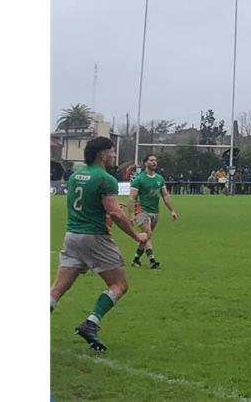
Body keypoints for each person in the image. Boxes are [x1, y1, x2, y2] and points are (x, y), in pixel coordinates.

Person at [49, 137, 151, 352]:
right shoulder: (105, 179)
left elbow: (90, 203)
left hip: (72, 235)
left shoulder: (76, 175)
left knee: (57, 289)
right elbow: (114, 212)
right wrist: (136, 236)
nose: (114, 155)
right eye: (112, 152)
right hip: (94, 237)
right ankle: (91, 323)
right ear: (103, 154)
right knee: (119, 285)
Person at [128, 154, 178, 269]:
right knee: (147, 235)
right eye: (151, 160)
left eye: (155, 160)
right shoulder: (139, 179)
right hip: (142, 211)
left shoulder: (159, 179)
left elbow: (165, 195)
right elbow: (131, 198)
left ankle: (136, 259)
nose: (154, 162)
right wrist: (131, 215)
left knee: (145, 238)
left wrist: (172, 210)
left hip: (155, 212)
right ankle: (152, 260)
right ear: (145, 163)